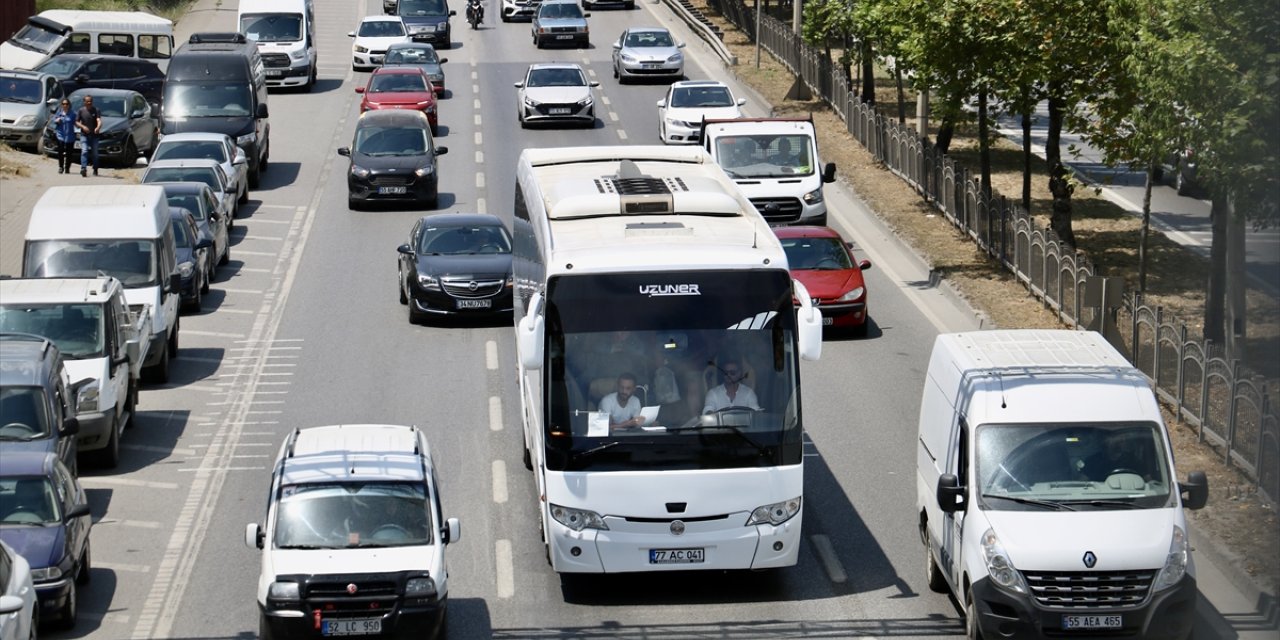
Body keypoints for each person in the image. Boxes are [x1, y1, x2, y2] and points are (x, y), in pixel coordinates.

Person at [75, 94, 102, 177]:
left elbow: (99, 120)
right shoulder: (81, 111)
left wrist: (98, 127)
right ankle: (83, 168)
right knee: (84, 151)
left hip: (94, 136)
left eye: (90, 101)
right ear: (84, 102)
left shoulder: (96, 110)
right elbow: (76, 122)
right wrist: (83, 126)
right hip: (84, 135)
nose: (89, 103)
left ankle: (95, 168)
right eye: (87, 101)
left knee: (95, 153)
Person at [51, 99, 77, 174]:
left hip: (70, 136)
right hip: (60, 135)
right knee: (60, 152)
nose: (65, 105)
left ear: (69, 105)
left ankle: (67, 167)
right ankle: (61, 167)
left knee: (69, 153)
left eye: (66, 104)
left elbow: (76, 123)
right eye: (63, 104)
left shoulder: (73, 114)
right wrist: (56, 120)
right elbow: (53, 119)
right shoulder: (59, 113)